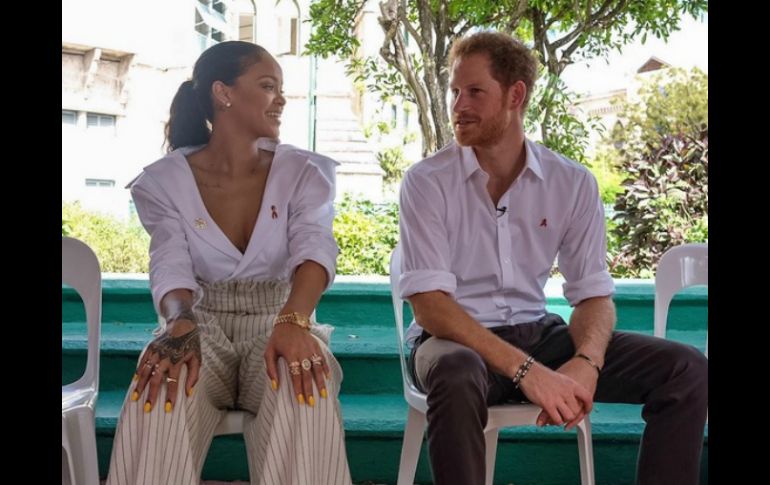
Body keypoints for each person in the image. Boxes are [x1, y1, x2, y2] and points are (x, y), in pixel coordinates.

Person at [398, 31, 708, 485]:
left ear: (515, 95)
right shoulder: (426, 182)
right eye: (455, 91)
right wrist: (528, 373)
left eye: (475, 91)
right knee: (457, 372)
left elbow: (593, 295)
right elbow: (430, 307)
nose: (458, 105)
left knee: (686, 368)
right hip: (452, 344)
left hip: (538, 336)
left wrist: (587, 361)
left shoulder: (572, 183)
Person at [105, 41, 352, 485]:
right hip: (200, 320)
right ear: (223, 93)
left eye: (280, 89)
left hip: (280, 317)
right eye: (268, 86)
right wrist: (178, 322)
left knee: (303, 383)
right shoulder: (164, 182)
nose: (281, 99)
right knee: (161, 382)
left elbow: (316, 250)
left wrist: (295, 321)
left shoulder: (303, 172)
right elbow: (169, 264)